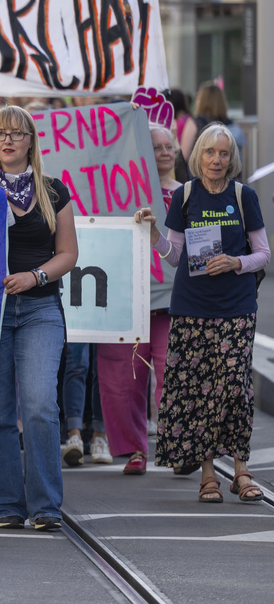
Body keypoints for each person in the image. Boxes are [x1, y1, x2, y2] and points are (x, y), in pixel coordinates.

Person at [135, 123, 269, 503]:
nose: (216, 160)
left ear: (232, 159)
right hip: (192, 309)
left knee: (235, 388)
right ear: (198, 156)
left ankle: (241, 470)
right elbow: (176, 255)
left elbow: (263, 253)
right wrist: (155, 236)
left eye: (223, 153)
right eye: (210, 152)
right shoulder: (186, 195)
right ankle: (208, 474)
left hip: (237, 308)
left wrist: (235, 262)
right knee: (197, 390)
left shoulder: (244, 196)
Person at [0, 105, 77, 532]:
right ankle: (6, 505)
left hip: (41, 308)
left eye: (16, 133)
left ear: (31, 140)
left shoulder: (53, 190)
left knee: (41, 405)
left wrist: (35, 276)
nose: (7, 140)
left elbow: (69, 253)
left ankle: (46, 506)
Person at [97, 124, 178, 476]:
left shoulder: (188, 195)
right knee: (122, 379)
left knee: (174, 373)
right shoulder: (114, 192)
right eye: (154, 146)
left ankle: (179, 444)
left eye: (168, 145)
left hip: (172, 303)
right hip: (125, 301)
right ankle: (134, 449)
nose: (163, 152)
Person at [180, 82, 245, 161]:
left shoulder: (195, 123)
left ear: (202, 101)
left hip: (201, 172)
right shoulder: (231, 125)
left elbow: (183, 156)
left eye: (198, 97)